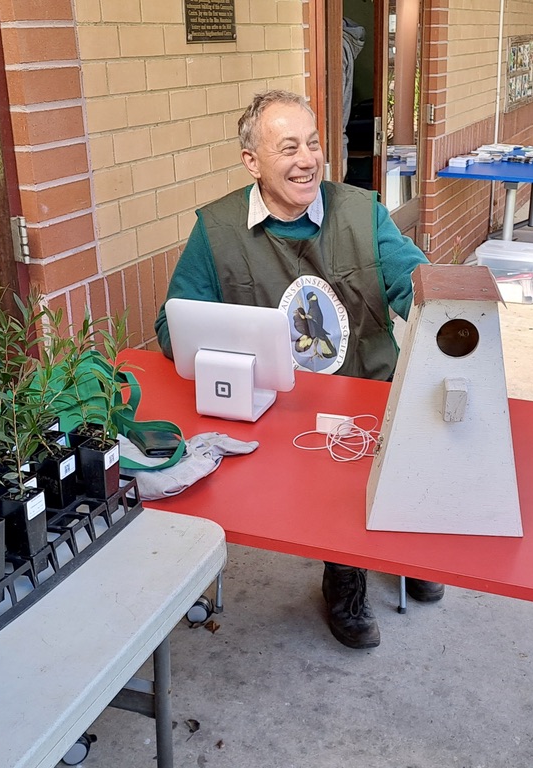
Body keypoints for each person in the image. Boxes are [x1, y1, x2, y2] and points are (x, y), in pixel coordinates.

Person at [154, 90, 443, 650]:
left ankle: (395, 554)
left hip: (364, 389)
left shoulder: (362, 210)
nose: (307, 159)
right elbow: (174, 327)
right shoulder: (216, 230)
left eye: (313, 143)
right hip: (279, 407)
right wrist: (226, 344)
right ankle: (346, 573)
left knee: (398, 442)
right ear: (252, 162)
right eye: (288, 147)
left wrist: (440, 306)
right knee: (317, 481)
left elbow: (412, 277)